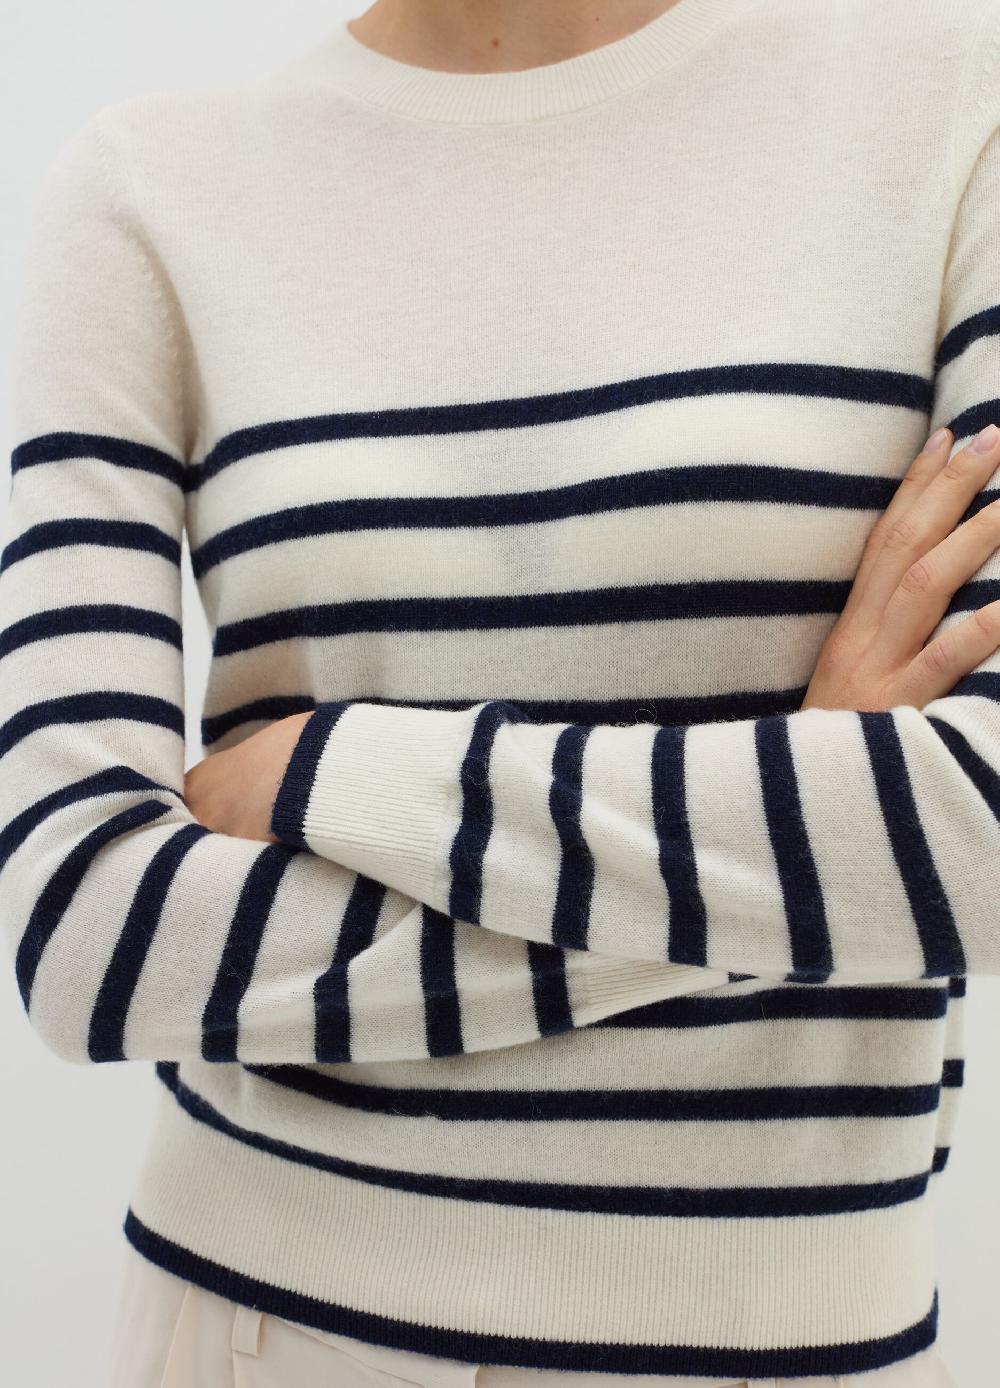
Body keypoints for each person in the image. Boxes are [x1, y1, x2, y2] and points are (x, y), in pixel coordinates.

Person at [2, 0, 998, 1382]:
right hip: (265, 1334)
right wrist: (817, 785)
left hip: (796, 1342)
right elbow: (86, 936)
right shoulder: (149, 187)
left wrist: (341, 776)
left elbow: (979, 837)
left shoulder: (956, 101)